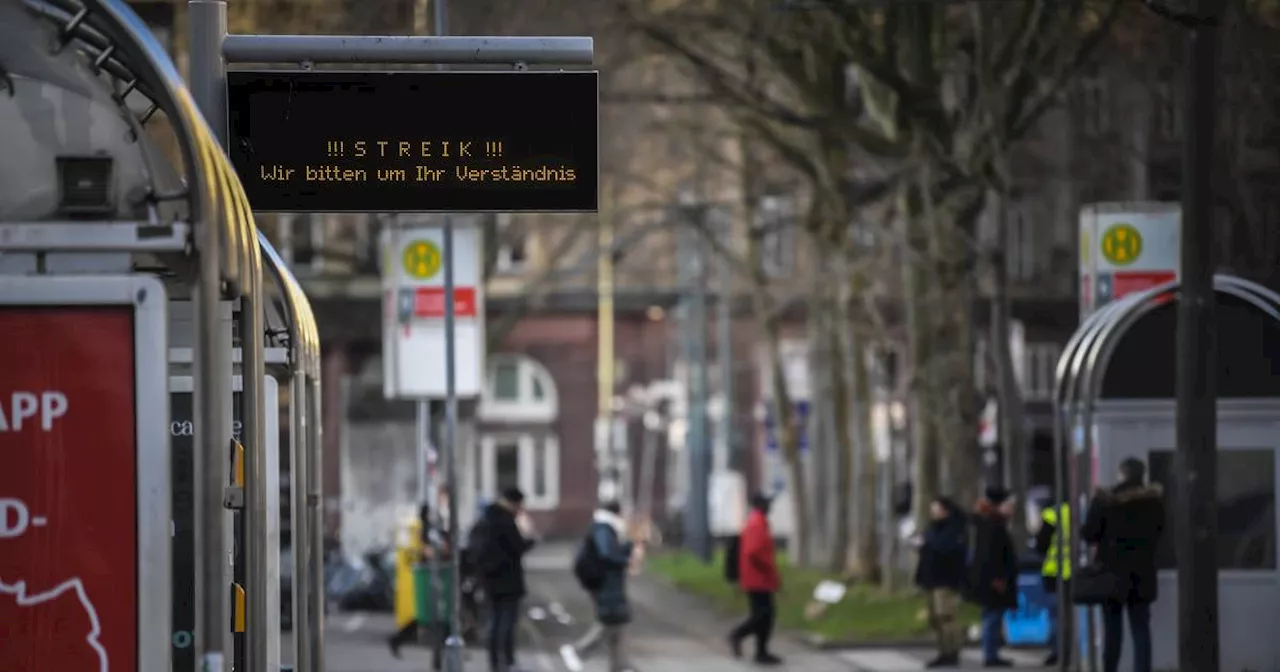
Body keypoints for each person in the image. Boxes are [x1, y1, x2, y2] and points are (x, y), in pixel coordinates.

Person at [1081, 457, 1164, 672]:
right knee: (1140, 628)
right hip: (1142, 573)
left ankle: (1110, 669)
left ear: (1122, 474)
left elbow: (1089, 534)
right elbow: (1160, 532)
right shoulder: (1153, 503)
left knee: (1112, 630)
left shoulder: (1106, 501)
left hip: (1111, 573)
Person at [562, 501, 639, 672]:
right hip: (606, 583)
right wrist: (626, 560)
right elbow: (607, 553)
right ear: (616, 513)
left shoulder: (605, 528)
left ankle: (620, 665)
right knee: (612, 619)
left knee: (619, 621)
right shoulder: (603, 528)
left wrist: (629, 546)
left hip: (608, 582)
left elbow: (612, 551)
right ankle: (579, 651)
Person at [476, 488, 538, 672]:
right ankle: (508, 659)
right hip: (508, 580)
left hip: (489, 579)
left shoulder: (488, 517)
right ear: (515, 503)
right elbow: (517, 547)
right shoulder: (506, 520)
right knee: (507, 622)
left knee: (494, 620)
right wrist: (530, 539)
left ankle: (494, 660)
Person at [913, 496, 969, 668]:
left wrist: (927, 541)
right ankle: (943, 649)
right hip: (931, 579)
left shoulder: (954, 528)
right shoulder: (933, 528)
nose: (932, 511)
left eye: (936, 508)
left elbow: (945, 548)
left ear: (945, 510)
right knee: (935, 618)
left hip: (946, 579)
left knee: (946, 616)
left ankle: (951, 651)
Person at [727, 493, 782, 665]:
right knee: (764, 615)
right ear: (761, 505)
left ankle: (761, 651)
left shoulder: (758, 522)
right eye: (767, 504)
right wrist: (768, 568)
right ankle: (738, 636)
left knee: (764, 615)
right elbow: (754, 552)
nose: (770, 507)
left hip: (758, 578)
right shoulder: (757, 523)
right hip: (758, 578)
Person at [968, 487, 1018, 668]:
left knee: (991, 615)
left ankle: (992, 652)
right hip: (993, 580)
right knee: (992, 616)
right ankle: (990, 654)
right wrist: (998, 577)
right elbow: (993, 554)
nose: (1012, 509)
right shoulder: (993, 525)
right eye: (1009, 505)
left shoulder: (988, 522)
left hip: (989, 579)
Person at [1035, 499, 1072, 666]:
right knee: (1071, 614)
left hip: (1054, 572)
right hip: (1074, 572)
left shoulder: (1051, 514)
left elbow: (1040, 545)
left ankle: (1058, 651)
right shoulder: (1078, 512)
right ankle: (1071, 650)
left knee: (1056, 616)